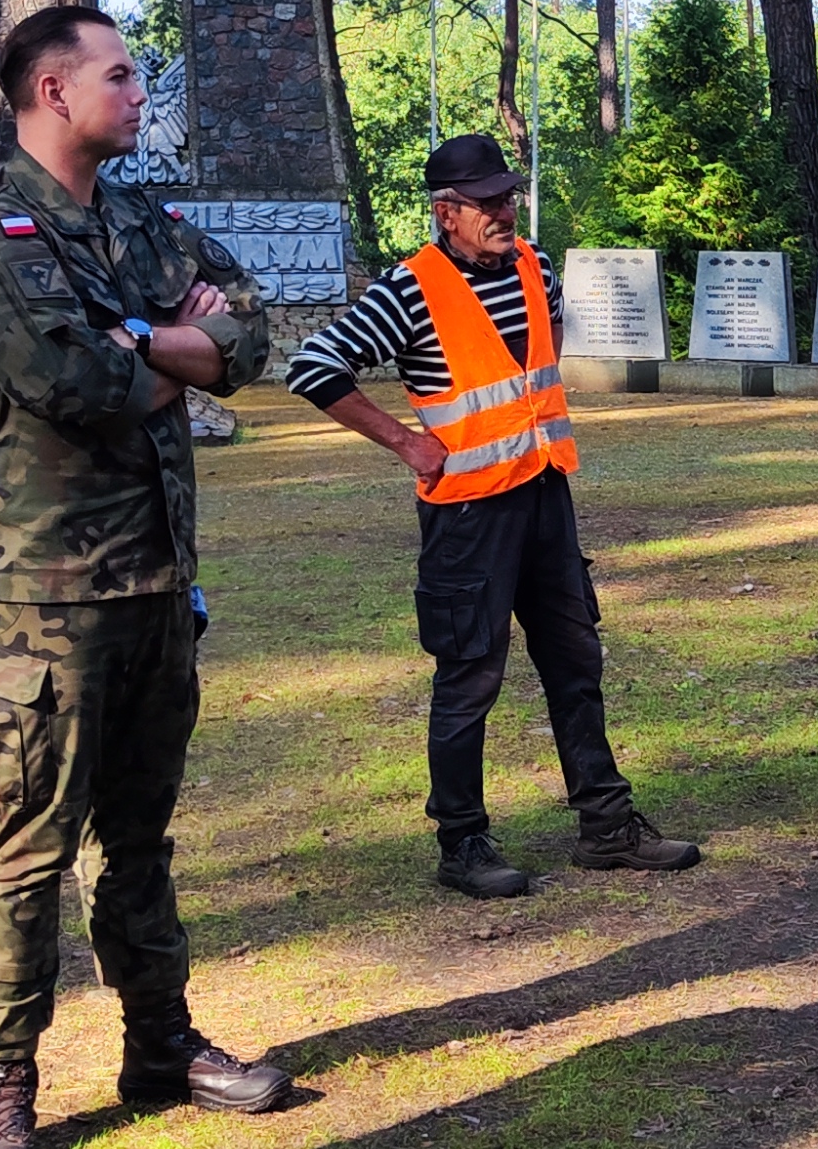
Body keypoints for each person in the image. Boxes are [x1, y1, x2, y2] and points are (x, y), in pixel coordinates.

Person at [0, 4, 296, 1149]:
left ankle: (159, 1045)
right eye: (121, 76)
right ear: (48, 91)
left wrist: (141, 329)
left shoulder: (142, 215)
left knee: (140, 842)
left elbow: (253, 336)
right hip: (39, 603)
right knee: (27, 853)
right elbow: (70, 383)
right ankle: (2, 1080)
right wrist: (164, 341)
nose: (141, 94)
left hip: (155, 588)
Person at [282, 132, 701, 899]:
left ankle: (607, 827)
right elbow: (312, 367)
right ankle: (462, 843)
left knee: (576, 662)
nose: (505, 211)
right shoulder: (408, 289)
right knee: (470, 675)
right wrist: (407, 443)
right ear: (447, 213)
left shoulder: (535, 266)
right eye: (487, 203)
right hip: (470, 515)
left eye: (508, 197)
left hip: (544, 494)